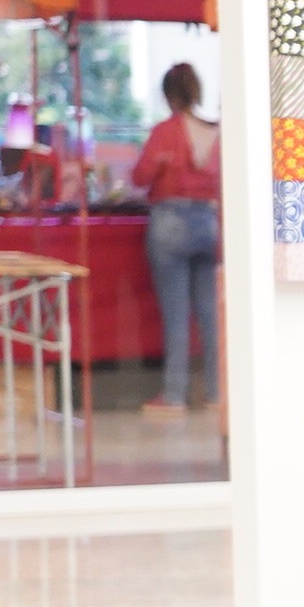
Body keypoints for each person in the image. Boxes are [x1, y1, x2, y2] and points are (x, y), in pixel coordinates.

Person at [129, 63, 220, 416]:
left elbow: (141, 176)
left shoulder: (165, 132)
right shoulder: (215, 132)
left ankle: (174, 394)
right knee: (210, 314)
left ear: (168, 95)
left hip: (170, 223)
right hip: (209, 222)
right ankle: (216, 392)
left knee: (176, 315)